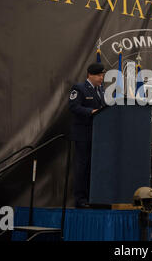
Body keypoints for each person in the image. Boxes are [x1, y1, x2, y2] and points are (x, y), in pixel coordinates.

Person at [69, 63, 106, 208]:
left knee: (93, 167)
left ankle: (92, 197)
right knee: (82, 167)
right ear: (90, 74)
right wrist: (90, 112)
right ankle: (80, 199)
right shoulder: (79, 88)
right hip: (83, 134)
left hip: (96, 135)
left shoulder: (101, 90)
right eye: (99, 75)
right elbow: (73, 106)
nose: (101, 78)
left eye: (102, 75)